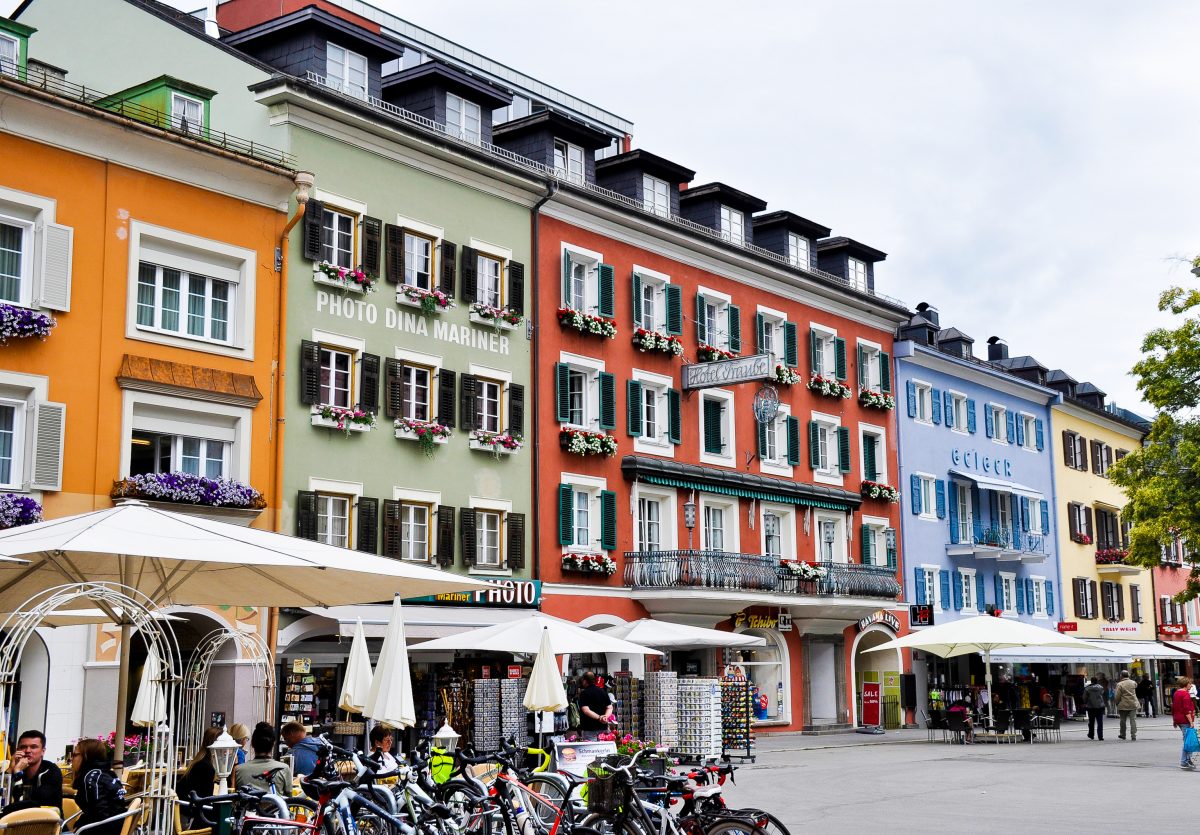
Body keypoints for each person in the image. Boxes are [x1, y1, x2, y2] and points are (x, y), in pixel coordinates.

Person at [71, 737, 127, 835]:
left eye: (74, 755)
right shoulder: (108, 773)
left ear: (86, 756)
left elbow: (100, 816)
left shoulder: (91, 778)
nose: (71, 759)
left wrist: (80, 827)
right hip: (119, 826)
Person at [2, 730, 63, 816]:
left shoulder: (51, 770)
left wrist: (18, 773)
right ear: (17, 750)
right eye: (23, 747)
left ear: (43, 751)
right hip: (15, 822)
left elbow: (26, 801)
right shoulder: (15, 768)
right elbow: (1, 793)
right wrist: (10, 769)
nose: (27, 751)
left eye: (33, 747)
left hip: (47, 823)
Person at [176, 727, 221, 829]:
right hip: (192, 817)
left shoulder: (200, 761)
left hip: (185, 811)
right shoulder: (206, 767)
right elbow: (204, 799)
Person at [233, 724, 293, 795]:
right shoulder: (283, 769)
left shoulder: (238, 770)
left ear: (252, 744)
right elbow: (289, 799)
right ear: (273, 744)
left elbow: (234, 796)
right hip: (275, 805)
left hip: (248, 806)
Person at [576, 671, 614, 740]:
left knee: (590, 749)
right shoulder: (603, 691)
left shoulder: (584, 693)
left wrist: (599, 718)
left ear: (584, 681)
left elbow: (586, 710)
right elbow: (609, 707)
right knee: (602, 749)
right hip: (603, 727)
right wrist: (605, 717)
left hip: (589, 728)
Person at [1173, 676, 1197, 770]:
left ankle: (1188, 759)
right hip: (1185, 720)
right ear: (1186, 684)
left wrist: (1174, 720)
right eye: (1190, 684)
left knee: (1187, 740)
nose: (1191, 685)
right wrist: (1191, 722)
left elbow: (1174, 707)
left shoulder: (1176, 693)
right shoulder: (1185, 694)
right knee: (1188, 741)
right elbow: (1187, 710)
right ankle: (1184, 762)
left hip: (1178, 719)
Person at [1114, 670, 1139, 741]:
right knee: (1133, 720)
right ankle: (1133, 735)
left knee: (1123, 720)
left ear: (1121, 676)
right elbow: (1136, 687)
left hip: (1123, 704)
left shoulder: (1120, 684)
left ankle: (1123, 734)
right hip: (1133, 703)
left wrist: (1117, 702)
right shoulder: (1133, 683)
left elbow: (1117, 696)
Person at [1083, 675, 1106, 741]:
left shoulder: (1087, 688)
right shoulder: (1101, 688)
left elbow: (1084, 698)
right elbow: (1102, 694)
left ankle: (1091, 734)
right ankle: (1100, 736)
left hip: (1091, 707)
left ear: (1091, 681)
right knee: (1100, 722)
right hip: (1100, 707)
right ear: (1097, 681)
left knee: (1091, 722)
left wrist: (1085, 702)